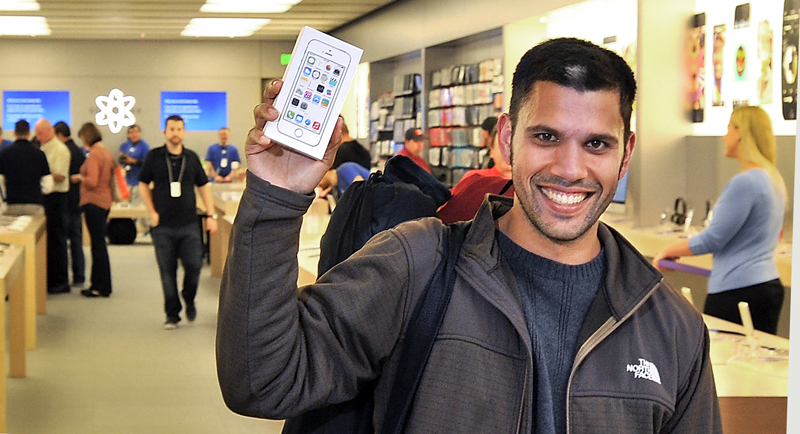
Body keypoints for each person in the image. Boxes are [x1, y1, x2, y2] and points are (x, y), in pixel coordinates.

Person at [217, 38, 721, 433]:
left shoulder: (670, 327)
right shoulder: (416, 264)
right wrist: (277, 198)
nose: (570, 168)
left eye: (597, 144)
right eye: (546, 136)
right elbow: (262, 382)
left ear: (625, 154)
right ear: (506, 138)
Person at [653, 105, 786, 335]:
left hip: (738, 292)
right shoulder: (773, 179)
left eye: (728, 128)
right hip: (767, 286)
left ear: (740, 133)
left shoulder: (745, 182)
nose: (725, 136)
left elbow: (712, 239)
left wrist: (668, 250)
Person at [139, 115, 218, 329]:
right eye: (171, 129)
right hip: (162, 225)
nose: (175, 133)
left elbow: (204, 187)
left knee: (194, 266)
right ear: (165, 132)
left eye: (179, 129)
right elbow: (143, 184)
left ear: (184, 132)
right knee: (167, 271)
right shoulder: (154, 157)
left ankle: (188, 296)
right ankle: (172, 314)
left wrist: (211, 215)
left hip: (189, 224)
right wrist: (151, 212)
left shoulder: (191, 158)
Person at [71, 122, 115, 298]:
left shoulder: (95, 154)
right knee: (100, 244)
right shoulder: (107, 153)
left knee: (97, 246)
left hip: (94, 202)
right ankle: (101, 284)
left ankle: (100, 286)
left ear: (87, 136)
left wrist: (80, 177)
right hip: (105, 201)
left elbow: (92, 181)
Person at [437, 125, 514, 224]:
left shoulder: (533, 186)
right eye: (502, 145)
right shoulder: (475, 180)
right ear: (491, 151)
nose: (509, 152)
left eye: (514, 145)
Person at [36, 118, 72, 294]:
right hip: (46, 199)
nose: (38, 137)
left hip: (57, 198)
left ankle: (61, 281)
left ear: (49, 131)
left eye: (40, 133)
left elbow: (61, 176)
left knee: (57, 240)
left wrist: (41, 171)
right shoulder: (43, 148)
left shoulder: (60, 150)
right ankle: (50, 279)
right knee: (49, 241)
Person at [54, 121, 87, 287]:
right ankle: (79, 275)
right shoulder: (79, 151)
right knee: (76, 240)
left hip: (66, 200)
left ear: (59, 134)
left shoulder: (64, 151)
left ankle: (63, 277)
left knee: (62, 240)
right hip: (77, 199)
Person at [0, 119, 52, 205]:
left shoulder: (4, 153)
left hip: (12, 203)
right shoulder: (39, 154)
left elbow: (1, 180)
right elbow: (48, 184)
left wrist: (5, 196)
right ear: (29, 133)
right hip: (35, 203)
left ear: (14, 133)